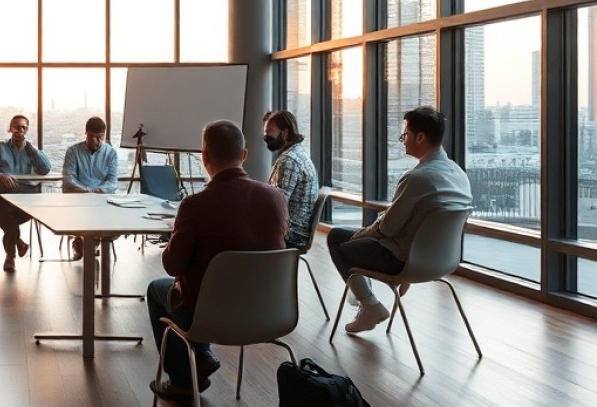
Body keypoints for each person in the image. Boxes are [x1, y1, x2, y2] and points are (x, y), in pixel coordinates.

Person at [145, 120, 287, 402]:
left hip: (211, 315)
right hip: (269, 310)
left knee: (158, 290)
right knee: (207, 288)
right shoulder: (276, 198)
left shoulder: (194, 206)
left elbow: (173, 266)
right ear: (244, 155)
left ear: (204, 156)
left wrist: (173, 237)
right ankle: (202, 353)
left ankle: (183, 382)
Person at [327, 106, 471, 334]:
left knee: (336, 238)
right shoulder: (458, 173)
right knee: (351, 238)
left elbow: (388, 228)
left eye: (405, 135)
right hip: (442, 261)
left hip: (403, 259)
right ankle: (361, 295)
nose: (402, 140)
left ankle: (369, 304)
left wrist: (364, 232)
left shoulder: (417, 178)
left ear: (420, 137)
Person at [0, 114, 52, 273]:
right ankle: (12, 253)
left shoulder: (31, 150)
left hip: (24, 198)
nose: (19, 130)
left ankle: (13, 249)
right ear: (10, 128)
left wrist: (32, 149)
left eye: (23, 127)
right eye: (16, 127)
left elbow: (45, 169)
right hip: (1, 195)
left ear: (27, 129)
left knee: (6, 219)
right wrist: (0, 176)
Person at [62, 116, 119, 259]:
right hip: (78, 199)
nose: (96, 141)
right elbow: (69, 178)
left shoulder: (111, 153)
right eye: (92, 137)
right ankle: (90, 243)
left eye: (100, 137)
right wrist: (87, 191)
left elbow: (112, 182)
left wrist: (97, 191)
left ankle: (86, 242)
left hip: (101, 200)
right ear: (86, 133)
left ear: (104, 135)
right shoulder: (73, 151)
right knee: (88, 215)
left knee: (115, 223)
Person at [263, 110, 319, 248]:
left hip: (291, 234)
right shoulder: (298, 153)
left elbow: (278, 203)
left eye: (270, 131)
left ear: (285, 132)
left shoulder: (289, 160)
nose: (266, 136)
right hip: (298, 231)